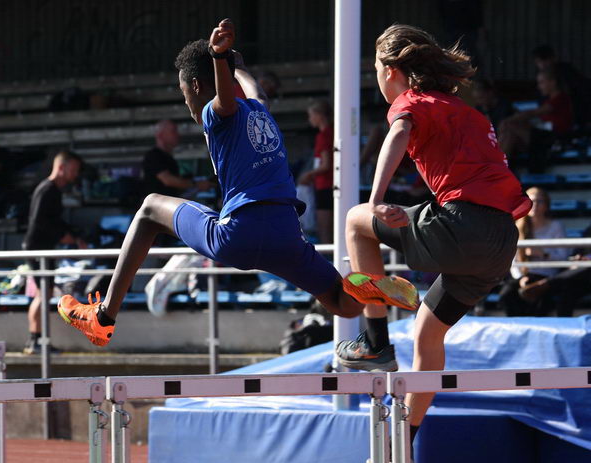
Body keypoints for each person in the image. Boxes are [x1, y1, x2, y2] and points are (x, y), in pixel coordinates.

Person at [57, 19, 417, 347]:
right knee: (341, 303)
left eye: (185, 96)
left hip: (238, 234)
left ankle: (102, 317)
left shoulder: (216, 113)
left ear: (198, 86)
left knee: (150, 207)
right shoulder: (260, 111)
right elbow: (255, 91)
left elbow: (226, 98)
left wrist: (218, 56)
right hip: (286, 235)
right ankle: (365, 286)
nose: (188, 105)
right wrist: (239, 68)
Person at [337, 24, 531, 457]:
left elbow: (399, 133)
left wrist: (376, 199)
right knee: (428, 333)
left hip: (463, 226)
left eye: (375, 71)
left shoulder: (412, 101)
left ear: (391, 71)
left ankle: (374, 341)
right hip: (500, 243)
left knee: (355, 221)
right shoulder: (466, 111)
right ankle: (401, 444)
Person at [22, 151, 85, 355]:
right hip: (37, 248)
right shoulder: (47, 189)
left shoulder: (53, 190)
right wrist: (65, 237)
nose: (75, 174)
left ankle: (37, 340)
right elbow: (40, 221)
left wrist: (71, 235)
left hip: (42, 248)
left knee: (45, 293)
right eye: (73, 169)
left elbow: (53, 221)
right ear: (61, 167)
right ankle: (35, 341)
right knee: (43, 293)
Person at [498, 187, 568, 316]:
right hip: (524, 274)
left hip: (546, 276)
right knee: (507, 294)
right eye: (532, 201)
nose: (535, 205)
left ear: (546, 205)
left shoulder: (556, 226)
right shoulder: (518, 226)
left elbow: (564, 257)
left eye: (539, 201)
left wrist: (543, 254)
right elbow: (513, 260)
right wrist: (520, 278)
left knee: (541, 299)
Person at [497, 68, 573, 170]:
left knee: (509, 125)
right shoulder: (547, 100)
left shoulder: (560, 98)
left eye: (542, 82)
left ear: (553, 82)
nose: (539, 87)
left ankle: (495, 168)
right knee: (510, 136)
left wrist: (509, 120)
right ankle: (497, 168)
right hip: (540, 137)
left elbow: (533, 113)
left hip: (554, 138)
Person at [141, 119, 211, 198]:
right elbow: (168, 180)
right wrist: (196, 184)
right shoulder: (153, 156)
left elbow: (173, 188)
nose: (177, 135)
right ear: (160, 135)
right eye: (173, 131)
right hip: (157, 207)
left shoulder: (169, 158)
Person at [297, 100, 334, 243]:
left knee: (324, 228)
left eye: (311, 115)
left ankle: (328, 261)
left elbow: (325, 165)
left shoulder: (323, 136)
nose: (310, 119)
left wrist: (308, 174)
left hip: (325, 186)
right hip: (328, 185)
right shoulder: (332, 132)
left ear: (320, 115)